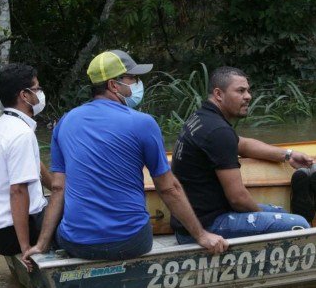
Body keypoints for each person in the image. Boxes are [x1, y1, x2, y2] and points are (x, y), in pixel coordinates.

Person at [23, 50, 227, 266]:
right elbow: (169, 189)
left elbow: (57, 188)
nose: (139, 84)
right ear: (113, 85)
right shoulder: (143, 123)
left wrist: (42, 244)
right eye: (133, 79)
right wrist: (201, 235)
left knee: (65, 226)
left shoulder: (65, 122)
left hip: (76, 243)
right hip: (130, 243)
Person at [170, 66, 316, 244]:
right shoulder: (218, 131)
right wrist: (260, 219)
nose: (248, 96)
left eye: (248, 90)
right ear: (219, 94)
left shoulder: (202, 117)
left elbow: (243, 144)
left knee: (280, 212)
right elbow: (238, 199)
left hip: (193, 221)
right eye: (241, 91)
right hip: (204, 228)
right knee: (299, 225)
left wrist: (288, 155)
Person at [0, 63, 52, 264]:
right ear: (25, 96)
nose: (41, 93)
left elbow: (34, 163)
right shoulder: (21, 134)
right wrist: (25, 247)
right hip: (9, 234)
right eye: (37, 89)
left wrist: (57, 187)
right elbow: (18, 190)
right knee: (79, 212)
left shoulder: (4, 123)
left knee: (60, 200)